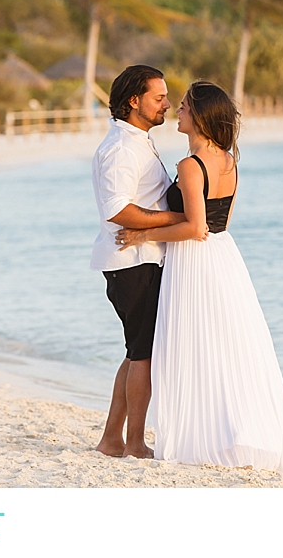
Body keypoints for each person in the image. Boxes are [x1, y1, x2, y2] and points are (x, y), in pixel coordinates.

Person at [117, 81, 283, 472]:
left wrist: (143, 233)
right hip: (225, 258)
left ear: (200, 116)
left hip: (194, 262)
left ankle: (206, 438)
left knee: (196, 349)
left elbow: (195, 228)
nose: (177, 110)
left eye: (184, 106)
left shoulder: (191, 165)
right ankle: (232, 433)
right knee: (226, 349)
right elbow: (220, 224)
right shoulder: (228, 161)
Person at [90, 64, 187, 459]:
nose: (167, 103)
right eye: (159, 97)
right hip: (134, 261)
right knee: (143, 354)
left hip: (138, 259)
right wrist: (177, 218)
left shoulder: (136, 141)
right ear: (135, 101)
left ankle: (112, 439)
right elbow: (118, 210)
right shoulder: (121, 148)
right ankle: (133, 443)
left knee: (136, 352)